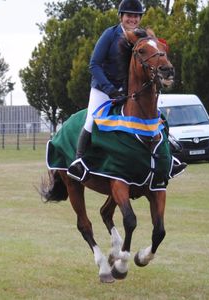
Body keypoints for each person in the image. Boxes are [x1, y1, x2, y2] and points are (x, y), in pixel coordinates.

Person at [67, 0, 186, 181]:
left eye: (136, 16)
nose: (132, 19)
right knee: (91, 119)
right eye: (129, 15)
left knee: (157, 117)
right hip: (104, 89)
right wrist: (110, 89)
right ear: (121, 16)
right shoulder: (110, 34)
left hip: (132, 91)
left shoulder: (144, 37)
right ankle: (79, 162)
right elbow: (94, 65)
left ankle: (170, 159)